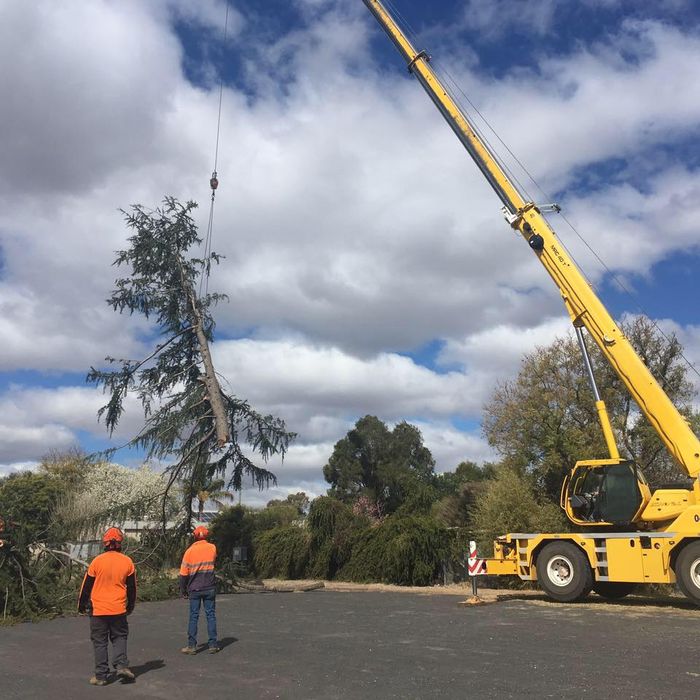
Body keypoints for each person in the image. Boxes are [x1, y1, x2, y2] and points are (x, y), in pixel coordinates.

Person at [78, 527, 136, 686]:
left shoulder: (97, 561)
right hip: (118, 609)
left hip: (98, 610)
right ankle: (122, 665)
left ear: (105, 543)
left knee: (100, 642)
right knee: (119, 637)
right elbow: (132, 588)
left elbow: (86, 587)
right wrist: (130, 606)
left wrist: (81, 605)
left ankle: (101, 676)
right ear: (120, 543)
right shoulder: (127, 562)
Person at [179, 525, 219, 654]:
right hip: (209, 587)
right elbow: (213, 561)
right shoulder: (212, 548)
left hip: (194, 588)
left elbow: (183, 574)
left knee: (194, 616)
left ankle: (192, 646)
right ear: (206, 536)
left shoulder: (189, 551)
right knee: (210, 615)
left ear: (194, 536)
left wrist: (183, 590)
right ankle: (213, 644)